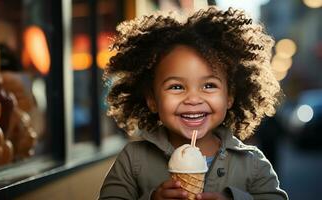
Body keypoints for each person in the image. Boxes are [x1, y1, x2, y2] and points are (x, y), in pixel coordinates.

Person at [99, 6, 288, 200]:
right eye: (176, 87)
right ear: (152, 100)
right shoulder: (132, 160)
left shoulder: (253, 163)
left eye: (208, 85)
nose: (193, 99)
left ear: (229, 96)